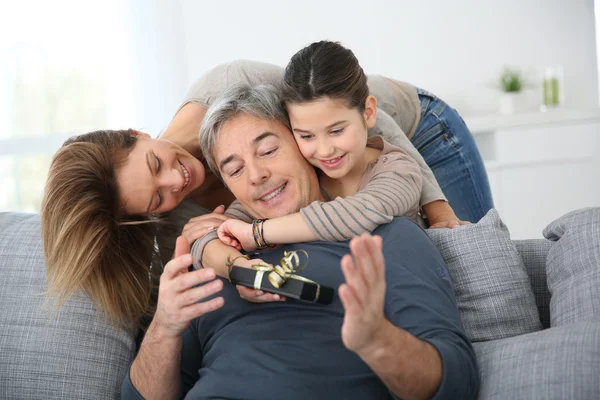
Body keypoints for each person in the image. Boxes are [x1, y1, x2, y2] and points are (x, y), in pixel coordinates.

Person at [42, 52, 491, 326]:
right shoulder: (172, 216)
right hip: (357, 187)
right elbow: (202, 243)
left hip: (414, 129)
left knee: (467, 256)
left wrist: (437, 210)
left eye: (156, 165)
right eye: (157, 198)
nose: (175, 182)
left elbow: (369, 125)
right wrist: (237, 267)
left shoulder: (230, 83)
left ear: (136, 132)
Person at [121, 84, 479, 400]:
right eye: (234, 170)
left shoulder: (386, 236)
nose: (257, 175)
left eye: (268, 150)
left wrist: (378, 341)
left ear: (304, 145)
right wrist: (164, 327)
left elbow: (457, 381)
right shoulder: (219, 260)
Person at [216, 41, 465, 253]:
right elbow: (229, 223)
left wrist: (257, 233)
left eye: (336, 131)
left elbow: (358, 214)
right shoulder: (306, 173)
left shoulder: (400, 172)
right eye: (306, 136)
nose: (324, 151)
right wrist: (210, 240)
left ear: (368, 113)